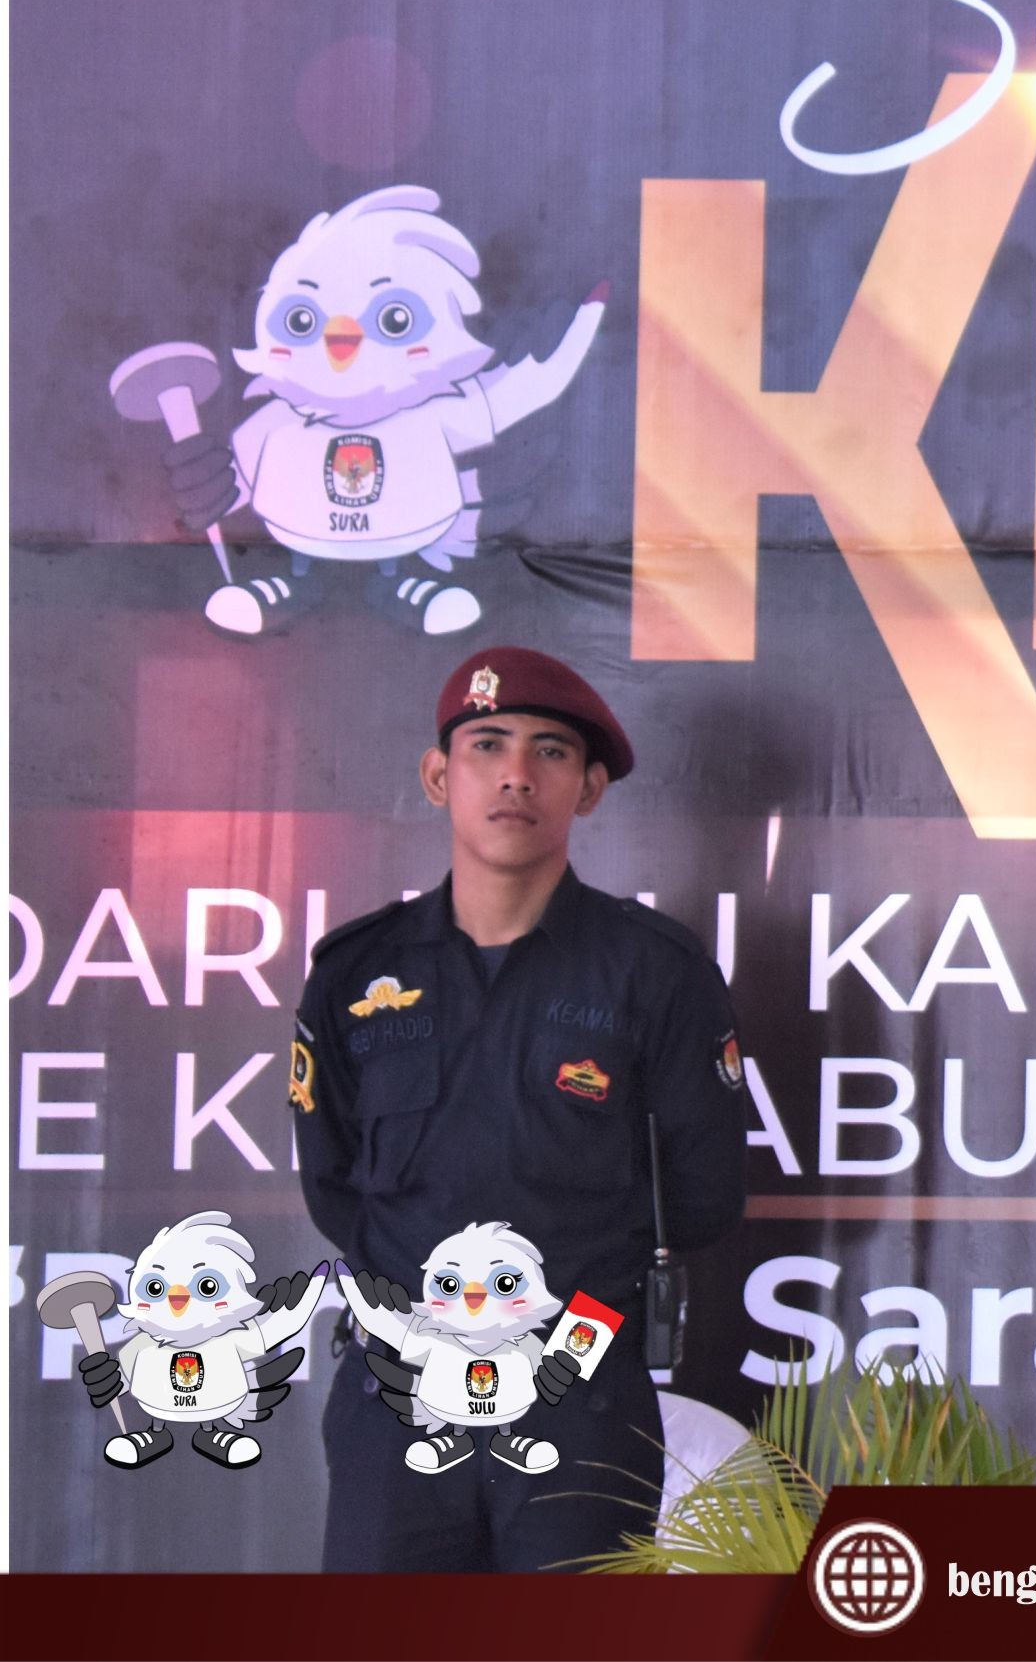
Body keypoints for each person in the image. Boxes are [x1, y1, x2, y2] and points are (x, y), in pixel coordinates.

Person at [291, 648, 749, 1570]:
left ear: (588, 789)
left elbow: (702, 1197)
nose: (515, 774)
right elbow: (334, 1186)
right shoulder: (356, 972)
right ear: (438, 776)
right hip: (399, 1399)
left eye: (549, 751)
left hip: (580, 1399)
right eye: (487, 744)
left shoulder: (655, 972)